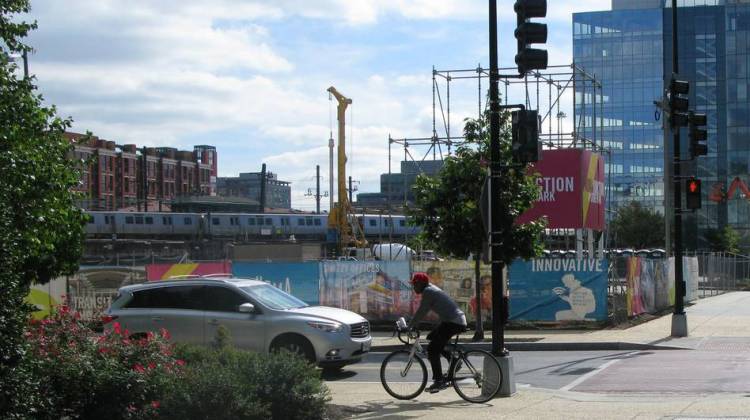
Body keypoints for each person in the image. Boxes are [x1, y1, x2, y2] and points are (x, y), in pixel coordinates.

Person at [406, 271, 467, 393]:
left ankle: (438, 381)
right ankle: (454, 360)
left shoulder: (429, 292)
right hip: (453, 321)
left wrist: (410, 325)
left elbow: (422, 311)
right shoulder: (429, 289)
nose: (414, 287)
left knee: (432, 350)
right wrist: (414, 323)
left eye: (415, 284)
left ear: (422, 283)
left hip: (454, 322)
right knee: (431, 337)